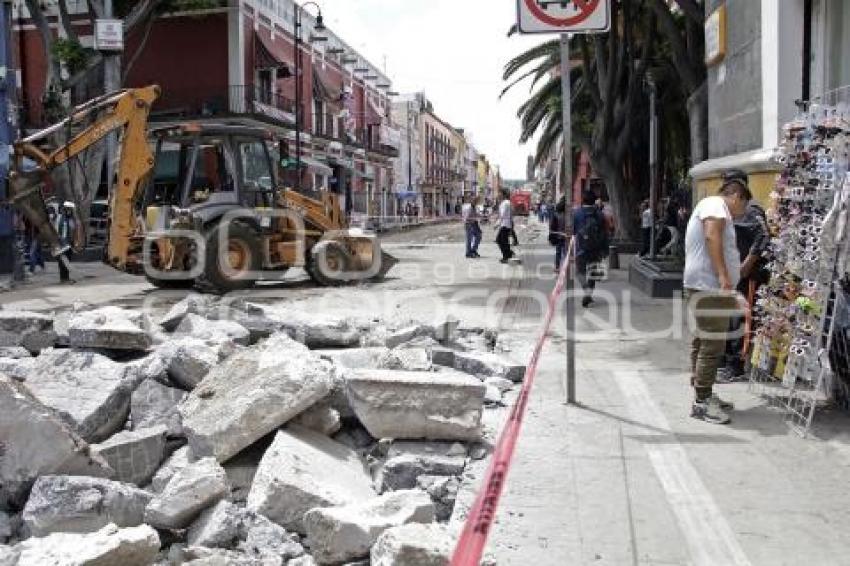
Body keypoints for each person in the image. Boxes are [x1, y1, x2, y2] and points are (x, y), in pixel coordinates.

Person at [683, 174, 751, 424]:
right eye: (743, 204)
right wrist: (723, 276)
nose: (742, 211)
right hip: (709, 287)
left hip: (705, 286)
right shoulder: (715, 205)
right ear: (736, 196)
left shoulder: (712, 206)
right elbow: (712, 236)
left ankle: (704, 392)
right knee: (712, 345)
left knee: (704, 341)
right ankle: (702, 403)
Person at [718, 171, 769, 382]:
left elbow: (764, 236)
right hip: (733, 275)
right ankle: (725, 360)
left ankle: (737, 366)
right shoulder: (730, 209)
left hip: (747, 277)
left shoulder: (751, 209)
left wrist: (747, 264)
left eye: (727, 185)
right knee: (729, 319)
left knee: (741, 319)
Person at [574, 191, 609, 307]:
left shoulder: (577, 213)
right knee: (593, 272)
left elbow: (572, 231)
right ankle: (589, 292)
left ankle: (586, 290)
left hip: (581, 248)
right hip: (596, 248)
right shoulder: (600, 214)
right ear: (594, 201)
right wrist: (605, 250)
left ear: (582, 200)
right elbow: (605, 232)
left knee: (580, 272)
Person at [54, 201, 77, 284]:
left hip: (69, 243)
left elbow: (72, 231)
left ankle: (66, 277)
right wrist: (62, 244)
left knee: (67, 261)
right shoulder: (61, 218)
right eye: (69, 209)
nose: (70, 211)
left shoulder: (70, 219)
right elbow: (59, 232)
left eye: (71, 209)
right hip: (63, 244)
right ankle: (63, 278)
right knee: (63, 261)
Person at [495, 189, 515, 263]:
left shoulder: (505, 203)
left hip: (505, 224)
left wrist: (497, 224)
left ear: (503, 194)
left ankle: (506, 256)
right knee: (502, 240)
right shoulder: (506, 202)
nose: (498, 195)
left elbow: (502, 215)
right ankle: (508, 254)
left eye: (499, 193)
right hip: (505, 224)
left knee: (501, 240)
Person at [549, 196, 567, 270]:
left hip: (558, 236)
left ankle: (557, 267)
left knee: (558, 252)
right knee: (566, 253)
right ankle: (566, 267)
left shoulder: (556, 215)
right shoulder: (568, 216)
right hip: (566, 237)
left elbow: (552, 226)